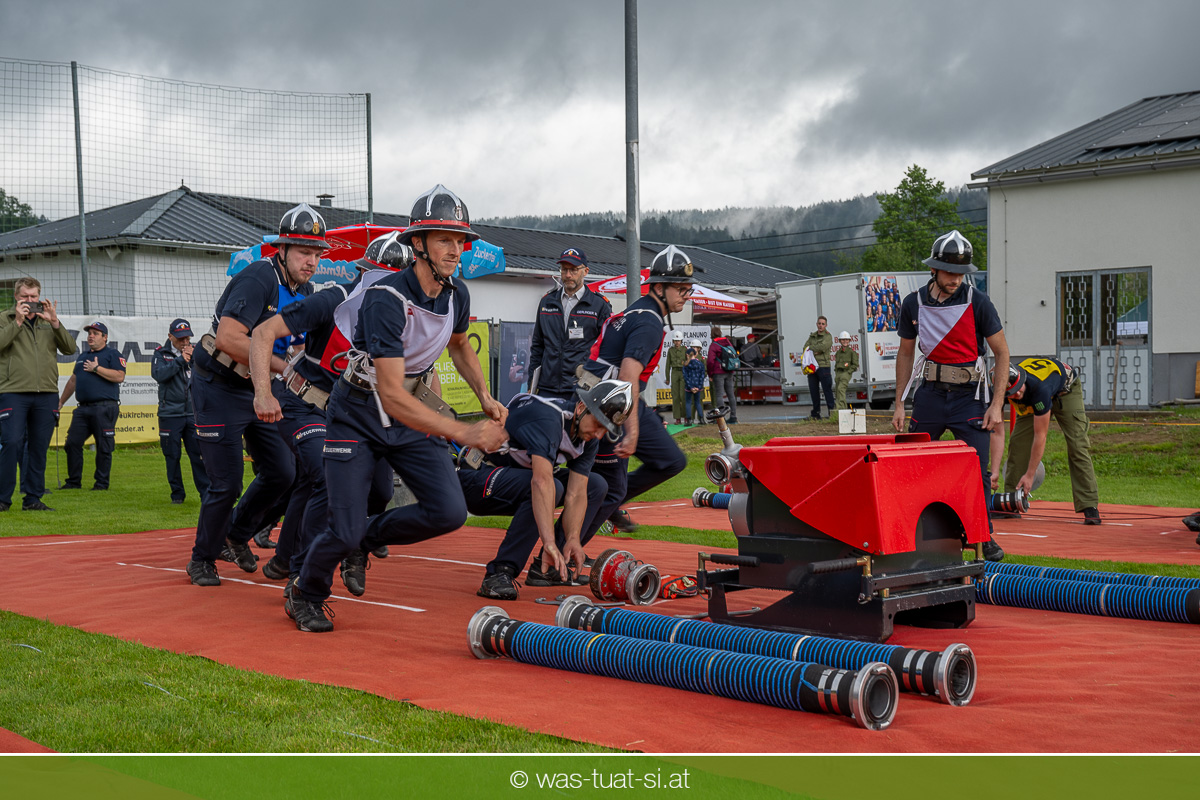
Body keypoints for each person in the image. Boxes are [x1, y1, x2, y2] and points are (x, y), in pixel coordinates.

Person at [286, 185, 509, 632]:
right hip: (357, 414)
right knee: (342, 527)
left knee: (448, 512)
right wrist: (463, 431)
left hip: (405, 417)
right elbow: (390, 394)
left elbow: (460, 344)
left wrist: (484, 395)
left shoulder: (457, 293)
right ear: (418, 244)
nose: (455, 249)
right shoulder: (385, 298)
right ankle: (305, 591)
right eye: (444, 239)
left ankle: (363, 541)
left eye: (460, 240)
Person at [248, 231, 410, 582]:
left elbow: (424, 373)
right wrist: (262, 392)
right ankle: (302, 574)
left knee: (380, 491)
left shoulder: (405, 318)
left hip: (356, 414)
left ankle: (300, 555)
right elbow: (262, 333)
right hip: (305, 404)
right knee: (325, 476)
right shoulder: (332, 300)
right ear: (364, 274)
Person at [184, 203, 324, 587]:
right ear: (282, 249)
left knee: (284, 471)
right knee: (226, 482)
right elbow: (228, 339)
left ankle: (234, 535)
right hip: (219, 385)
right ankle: (201, 559)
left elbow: (299, 348)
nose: (311, 261)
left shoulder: (306, 290)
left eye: (316, 254)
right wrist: (283, 368)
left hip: (258, 386)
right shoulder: (259, 277)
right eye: (304, 252)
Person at [892, 230, 1009, 562]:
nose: (955, 279)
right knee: (910, 465)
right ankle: (907, 533)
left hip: (970, 396)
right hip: (929, 394)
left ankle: (982, 537)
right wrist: (899, 402)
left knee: (977, 470)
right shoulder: (912, 303)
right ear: (933, 269)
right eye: (949, 272)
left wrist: (997, 405)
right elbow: (905, 352)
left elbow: (1002, 353)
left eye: (961, 273)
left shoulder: (978, 301)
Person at [463, 379, 634, 600]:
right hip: (476, 478)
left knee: (596, 485)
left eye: (605, 429)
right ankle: (499, 573)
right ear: (581, 407)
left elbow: (577, 493)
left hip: (511, 479)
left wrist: (573, 538)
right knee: (552, 486)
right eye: (599, 424)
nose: (599, 435)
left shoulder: (586, 436)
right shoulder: (549, 418)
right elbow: (541, 483)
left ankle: (553, 564)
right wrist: (549, 541)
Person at [581, 245, 692, 539]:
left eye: (688, 289)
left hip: (615, 397)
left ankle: (605, 500)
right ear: (658, 287)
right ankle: (561, 553)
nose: (686, 294)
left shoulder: (641, 312)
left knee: (672, 460)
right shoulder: (649, 321)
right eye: (680, 288)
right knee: (609, 489)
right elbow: (627, 377)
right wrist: (631, 432)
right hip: (606, 405)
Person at [0, 277, 77, 512]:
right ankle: (3, 499)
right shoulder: (4, 318)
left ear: (39, 296)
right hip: (13, 391)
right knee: (11, 442)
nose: (29, 300)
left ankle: (33, 498)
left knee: (38, 447)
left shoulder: (47, 320)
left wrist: (54, 322)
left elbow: (70, 349)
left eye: (34, 296)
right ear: (16, 296)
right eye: (25, 296)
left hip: (46, 393)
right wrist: (18, 322)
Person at [1002, 358, 1101, 525]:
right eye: (1011, 393)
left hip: (1065, 391)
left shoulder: (1038, 389)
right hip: (1032, 395)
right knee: (1018, 444)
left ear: (1021, 380)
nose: (1016, 394)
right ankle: (1011, 501)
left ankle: (1089, 504)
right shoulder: (1001, 390)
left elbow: (1040, 436)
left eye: (1018, 389)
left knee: (1078, 445)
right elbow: (995, 429)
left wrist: (1030, 475)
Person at [528, 247, 611, 401]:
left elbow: (607, 350)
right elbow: (537, 346)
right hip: (547, 387)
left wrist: (596, 384)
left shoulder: (599, 305)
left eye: (573, 270)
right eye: (564, 269)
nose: (568, 275)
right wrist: (531, 384)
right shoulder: (547, 302)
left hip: (580, 388)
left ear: (585, 271)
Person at [58, 322, 126, 491]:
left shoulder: (112, 354)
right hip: (83, 409)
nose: (91, 336)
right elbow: (73, 380)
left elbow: (119, 376)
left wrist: (97, 369)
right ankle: (73, 482)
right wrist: (61, 402)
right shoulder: (83, 356)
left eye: (95, 333)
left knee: (104, 447)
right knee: (72, 443)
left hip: (105, 407)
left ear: (105, 337)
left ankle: (101, 484)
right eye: (89, 333)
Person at [151, 319, 209, 505]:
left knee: (198, 455)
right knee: (172, 456)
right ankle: (177, 494)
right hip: (170, 414)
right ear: (170, 336)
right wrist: (180, 360)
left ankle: (206, 494)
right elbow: (159, 375)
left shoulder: (196, 353)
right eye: (180, 339)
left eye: (187, 338)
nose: (185, 342)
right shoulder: (161, 354)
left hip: (193, 414)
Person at [803, 316, 835, 419]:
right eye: (819, 323)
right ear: (816, 324)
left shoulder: (828, 336)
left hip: (823, 366)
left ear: (826, 325)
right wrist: (814, 350)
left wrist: (811, 349)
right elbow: (805, 348)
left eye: (823, 324)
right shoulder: (812, 336)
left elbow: (823, 347)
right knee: (814, 391)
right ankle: (815, 414)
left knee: (827, 390)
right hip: (812, 367)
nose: (821, 325)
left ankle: (832, 413)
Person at [706, 327, 739, 424]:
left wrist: (710, 374)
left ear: (712, 335)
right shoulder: (728, 342)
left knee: (719, 395)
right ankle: (733, 417)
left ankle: (721, 418)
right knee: (731, 395)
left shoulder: (714, 345)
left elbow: (710, 361)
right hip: (729, 371)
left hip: (718, 372)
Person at [833, 331, 859, 411]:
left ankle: (839, 409)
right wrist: (836, 372)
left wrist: (848, 372)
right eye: (843, 340)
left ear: (849, 341)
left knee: (841, 389)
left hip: (846, 373)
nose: (845, 341)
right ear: (840, 341)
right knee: (837, 391)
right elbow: (836, 364)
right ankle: (842, 409)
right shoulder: (838, 353)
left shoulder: (851, 352)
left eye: (846, 340)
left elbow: (855, 365)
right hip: (839, 373)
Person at [666, 330, 688, 424]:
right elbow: (668, 365)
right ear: (673, 341)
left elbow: (688, 362)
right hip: (674, 372)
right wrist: (667, 378)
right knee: (675, 396)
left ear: (681, 341)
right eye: (675, 340)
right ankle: (677, 418)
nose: (677, 342)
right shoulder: (670, 350)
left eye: (678, 340)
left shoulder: (685, 349)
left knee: (683, 396)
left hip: (683, 372)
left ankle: (686, 417)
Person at [683, 342, 707, 425]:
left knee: (688, 402)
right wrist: (698, 387)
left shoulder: (685, 365)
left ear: (687, 355)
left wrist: (690, 387)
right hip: (698, 386)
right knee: (698, 402)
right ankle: (701, 419)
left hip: (688, 387)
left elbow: (685, 377)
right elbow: (702, 376)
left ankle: (689, 420)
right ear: (695, 354)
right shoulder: (700, 364)